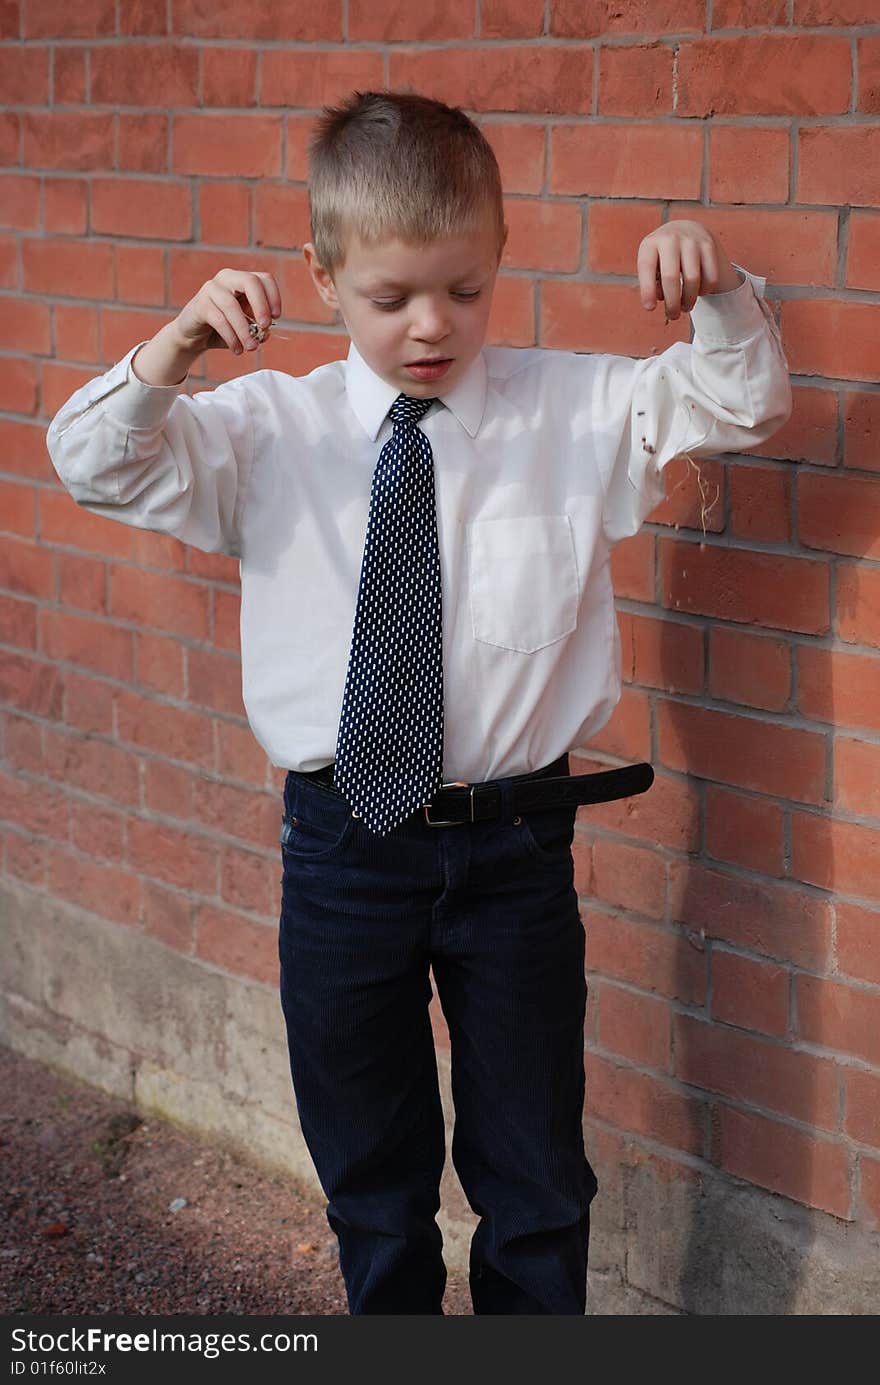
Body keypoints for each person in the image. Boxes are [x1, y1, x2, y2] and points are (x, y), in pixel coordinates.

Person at [46, 88, 792, 1316]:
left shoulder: (572, 409)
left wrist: (715, 289)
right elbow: (93, 460)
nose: (432, 325)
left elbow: (741, 401)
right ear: (323, 274)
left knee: (538, 1177)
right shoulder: (262, 431)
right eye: (391, 297)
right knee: (373, 1182)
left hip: (515, 848)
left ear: (498, 262)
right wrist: (172, 346)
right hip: (344, 847)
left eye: (464, 288)